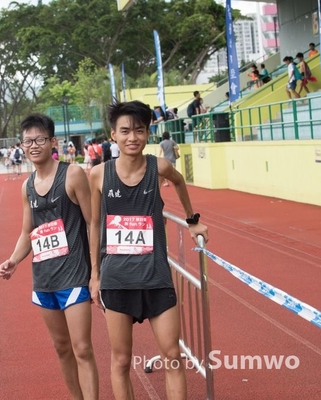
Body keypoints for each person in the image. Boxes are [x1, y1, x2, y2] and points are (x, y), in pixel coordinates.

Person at [88, 101, 208, 400]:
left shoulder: (160, 167)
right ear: (113, 134)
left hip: (156, 278)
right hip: (117, 279)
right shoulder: (99, 175)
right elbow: (93, 224)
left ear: (148, 132)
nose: (132, 138)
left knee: (172, 356)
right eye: (125, 131)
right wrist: (94, 274)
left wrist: (193, 221)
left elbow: (179, 182)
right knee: (121, 360)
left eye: (139, 131)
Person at [0, 113, 99, 400]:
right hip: (44, 278)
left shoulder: (73, 174)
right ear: (21, 144)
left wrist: (95, 272)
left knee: (82, 348)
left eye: (40, 139)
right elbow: (27, 232)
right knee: (62, 348)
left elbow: (92, 222)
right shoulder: (26, 186)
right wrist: (14, 260)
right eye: (28, 141)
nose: (33, 145)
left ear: (52, 142)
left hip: (75, 274)